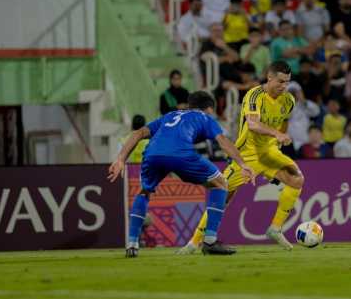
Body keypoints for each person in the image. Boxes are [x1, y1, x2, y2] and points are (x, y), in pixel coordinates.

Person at [108, 91, 256, 257]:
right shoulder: (205, 117)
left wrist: (121, 159)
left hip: (153, 154)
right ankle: (209, 241)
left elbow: (138, 133)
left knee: (144, 192)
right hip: (180, 154)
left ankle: (132, 244)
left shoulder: (170, 115)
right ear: (209, 109)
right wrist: (243, 164)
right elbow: (223, 142)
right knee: (221, 184)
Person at [182, 61, 305, 252]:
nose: (284, 86)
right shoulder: (254, 95)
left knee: (297, 179)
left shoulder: (288, 100)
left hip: (270, 152)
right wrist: (277, 134)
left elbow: (284, 122)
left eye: (287, 82)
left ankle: (275, 228)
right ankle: (193, 243)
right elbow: (254, 124)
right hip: (247, 155)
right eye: (280, 81)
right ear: (269, 77)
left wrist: (279, 139)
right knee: (222, 197)